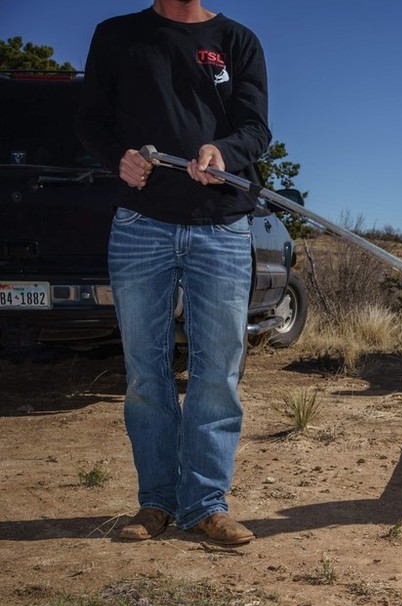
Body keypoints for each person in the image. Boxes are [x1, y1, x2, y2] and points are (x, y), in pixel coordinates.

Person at [76, 0, 271, 543]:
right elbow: (92, 120)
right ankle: (156, 503)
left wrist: (223, 151)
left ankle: (207, 504)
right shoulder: (117, 36)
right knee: (145, 371)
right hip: (141, 225)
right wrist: (119, 156)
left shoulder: (238, 40)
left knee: (217, 370)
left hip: (222, 226)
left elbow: (256, 129)